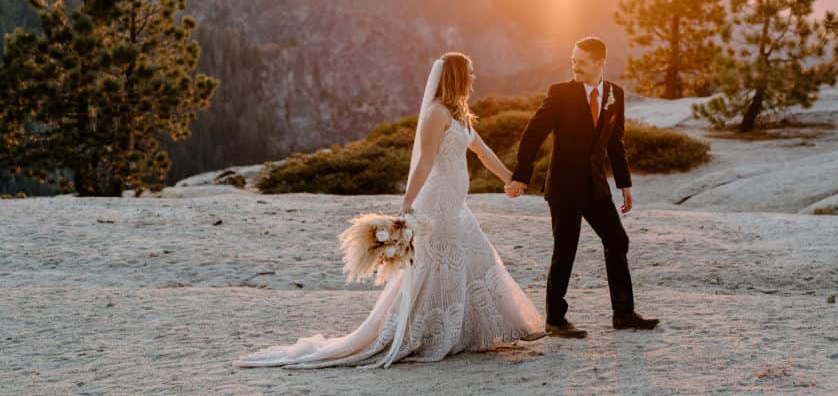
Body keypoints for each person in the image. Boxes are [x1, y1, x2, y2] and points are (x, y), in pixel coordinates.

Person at [234, 52, 544, 369]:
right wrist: (408, 202)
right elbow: (424, 161)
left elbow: (482, 150)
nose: (474, 79)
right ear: (458, 77)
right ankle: (432, 332)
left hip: (456, 204)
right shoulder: (436, 114)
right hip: (437, 203)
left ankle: (481, 329)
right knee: (436, 267)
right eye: (470, 73)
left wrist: (511, 179)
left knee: (476, 257)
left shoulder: (460, 114)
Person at [505, 36, 658, 338]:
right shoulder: (560, 94)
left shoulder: (616, 94)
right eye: (573, 60)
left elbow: (615, 142)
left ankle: (624, 315)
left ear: (600, 62)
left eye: (582, 62)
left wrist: (624, 183)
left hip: (596, 188)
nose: (575, 66)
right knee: (566, 250)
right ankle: (555, 320)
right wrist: (521, 175)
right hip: (564, 187)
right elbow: (532, 133)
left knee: (617, 240)